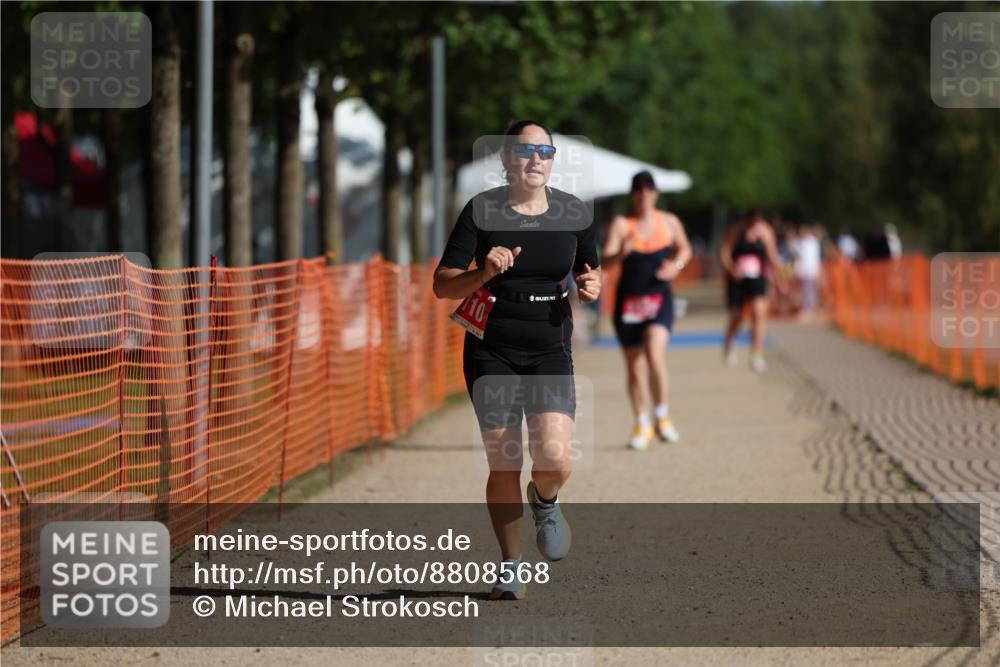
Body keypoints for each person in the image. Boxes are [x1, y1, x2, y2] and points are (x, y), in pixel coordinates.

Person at [432, 120, 601, 600]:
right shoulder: (482, 212)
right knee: (504, 461)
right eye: (525, 152)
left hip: (549, 342)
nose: (535, 160)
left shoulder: (574, 212)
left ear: (552, 159)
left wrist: (592, 288)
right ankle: (511, 566)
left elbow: (592, 272)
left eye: (544, 151)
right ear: (506, 160)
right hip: (492, 346)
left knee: (554, 457)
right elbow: (443, 284)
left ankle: (545, 498)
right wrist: (482, 270)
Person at [602, 171, 692, 451]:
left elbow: (685, 250)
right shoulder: (621, 224)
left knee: (655, 354)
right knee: (634, 368)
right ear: (633, 195)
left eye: (648, 189)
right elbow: (604, 262)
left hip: (659, 299)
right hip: (629, 303)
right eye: (638, 190)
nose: (644, 194)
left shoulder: (669, 221)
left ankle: (662, 417)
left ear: (656, 193)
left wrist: (675, 266)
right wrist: (621, 252)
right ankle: (642, 422)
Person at [720, 209, 785, 373]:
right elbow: (725, 252)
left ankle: (756, 354)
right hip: (737, 279)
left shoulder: (766, 232)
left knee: (758, 312)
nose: (755, 225)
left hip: (758, 277)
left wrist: (780, 280)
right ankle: (730, 342)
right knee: (738, 315)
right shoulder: (737, 230)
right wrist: (732, 268)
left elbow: (773, 257)